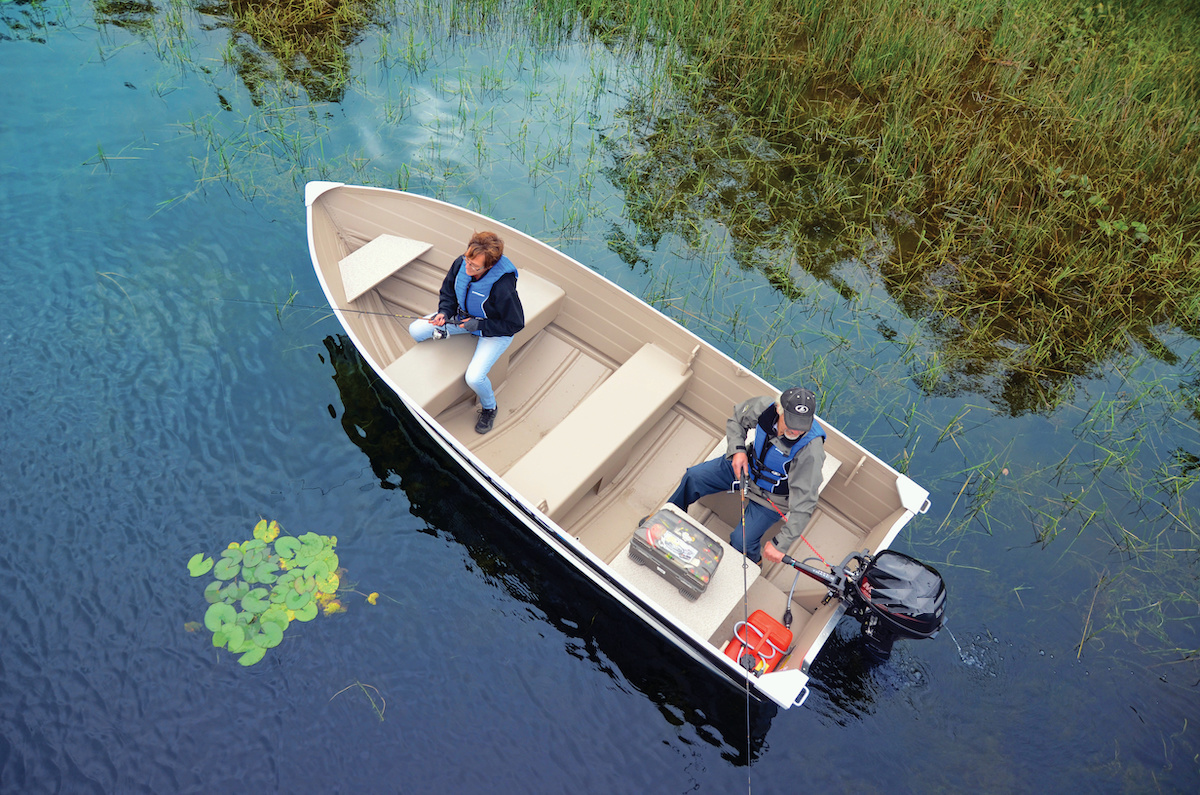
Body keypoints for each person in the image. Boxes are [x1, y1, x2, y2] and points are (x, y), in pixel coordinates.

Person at [666, 387, 826, 564]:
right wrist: (738, 450)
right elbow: (736, 420)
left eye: (802, 425)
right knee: (694, 477)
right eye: (791, 422)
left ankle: (753, 562)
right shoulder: (764, 407)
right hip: (744, 468)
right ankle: (668, 517)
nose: (796, 431)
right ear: (779, 409)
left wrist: (781, 544)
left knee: (741, 541)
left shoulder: (811, 450)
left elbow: (805, 501)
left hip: (772, 498)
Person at [408, 231, 525, 434]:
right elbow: (448, 292)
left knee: (474, 377)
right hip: (461, 318)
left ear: (489, 266)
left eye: (474, 266)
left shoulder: (503, 286)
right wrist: (445, 312)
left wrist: (480, 326)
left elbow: (514, 324)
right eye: (467, 260)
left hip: (494, 331)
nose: (468, 267)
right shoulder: (462, 263)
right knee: (416, 329)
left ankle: (490, 408)